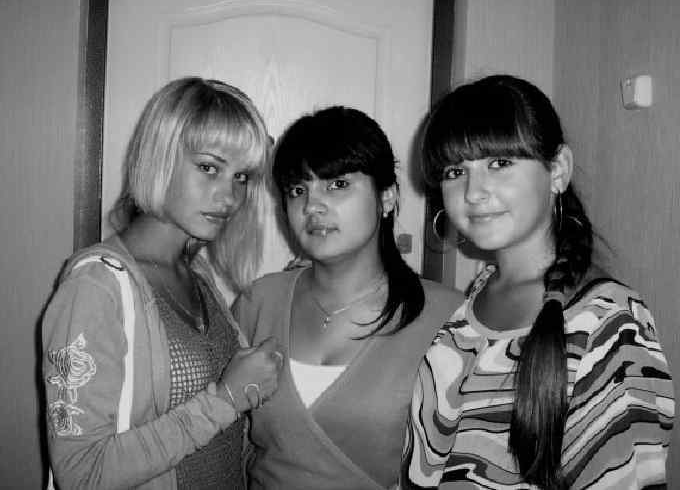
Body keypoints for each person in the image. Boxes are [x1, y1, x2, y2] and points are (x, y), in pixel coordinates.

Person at [401, 74, 674, 489]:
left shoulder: (609, 323)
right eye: (456, 171)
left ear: (557, 170)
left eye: (499, 163)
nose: (473, 192)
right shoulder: (480, 291)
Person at [42, 77, 283, 490]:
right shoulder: (96, 288)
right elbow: (81, 473)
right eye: (209, 168)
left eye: (241, 177)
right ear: (160, 157)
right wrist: (225, 400)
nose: (229, 197)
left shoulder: (197, 274)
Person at [233, 106, 463, 489]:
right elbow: (232, 444)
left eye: (337, 184)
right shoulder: (258, 302)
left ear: (386, 197)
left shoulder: (449, 317)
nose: (312, 206)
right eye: (298, 190)